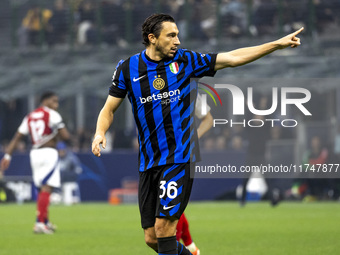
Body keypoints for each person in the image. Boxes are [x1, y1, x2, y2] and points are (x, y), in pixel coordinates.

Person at [92, 13, 303, 255]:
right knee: (151, 238)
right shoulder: (127, 68)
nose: (177, 41)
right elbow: (109, 109)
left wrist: (276, 44)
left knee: (164, 230)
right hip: (149, 162)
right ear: (152, 38)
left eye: (178, 35)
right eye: (171, 35)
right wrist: (99, 133)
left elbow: (233, 57)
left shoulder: (186, 61)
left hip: (179, 157)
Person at [0, 92, 70, 234]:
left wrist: (8, 155)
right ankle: (39, 223)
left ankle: (45, 221)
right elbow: (65, 135)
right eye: (54, 101)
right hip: (48, 152)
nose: (56, 105)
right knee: (47, 188)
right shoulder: (52, 114)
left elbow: (17, 137)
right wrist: (55, 137)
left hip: (34, 153)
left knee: (41, 189)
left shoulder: (30, 116)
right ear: (45, 101)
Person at [176, 94, 213, 255]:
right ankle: (190, 247)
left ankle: (178, 246)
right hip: (154, 157)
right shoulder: (150, 82)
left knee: (170, 207)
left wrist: (191, 140)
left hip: (179, 157)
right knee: (166, 208)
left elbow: (208, 119)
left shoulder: (191, 88)